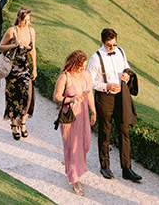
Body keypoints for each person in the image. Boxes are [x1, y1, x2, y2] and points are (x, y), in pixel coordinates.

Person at [88, 28, 142, 183]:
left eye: (114, 44)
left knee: (124, 131)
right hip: (104, 98)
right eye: (109, 45)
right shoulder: (96, 58)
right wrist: (106, 85)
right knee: (105, 132)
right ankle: (105, 166)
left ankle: (127, 169)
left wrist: (126, 76)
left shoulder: (121, 52)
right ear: (102, 42)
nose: (112, 47)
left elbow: (126, 68)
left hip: (120, 97)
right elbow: (90, 82)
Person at [54, 50, 97, 196]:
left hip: (83, 114)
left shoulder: (86, 75)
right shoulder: (65, 77)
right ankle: (74, 180)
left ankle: (68, 160)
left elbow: (89, 95)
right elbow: (57, 97)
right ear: (74, 64)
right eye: (81, 66)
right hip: (70, 116)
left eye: (85, 66)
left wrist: (93, 112)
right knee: (72, 147)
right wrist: (71, 99)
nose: (83, 68)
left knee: (85, 144)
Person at [0, 6, 37, 140]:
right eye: (24, 20)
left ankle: (23, 122)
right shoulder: (12, 31)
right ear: (19, 19)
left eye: (28, 20)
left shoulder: (31, 31)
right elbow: (1, 47)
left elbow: (32, 50)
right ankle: (14, 124)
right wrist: (13, 45)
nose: (26, 22)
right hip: (13, 69)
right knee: (13, 96)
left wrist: (34, 68)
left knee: (27, 96)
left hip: (25, 67)